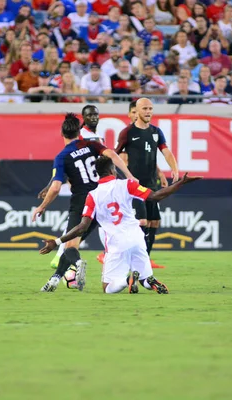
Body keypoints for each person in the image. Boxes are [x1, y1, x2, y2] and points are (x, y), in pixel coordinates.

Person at [39, 156, 201, 294]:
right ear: (112, 171)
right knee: (145, 277)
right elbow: (155, 196)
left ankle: (126, 280)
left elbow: (82, 227)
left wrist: (58, 241)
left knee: (107, 286)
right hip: (137, 238)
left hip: (117, 243)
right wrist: (179, 184)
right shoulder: (127, 184)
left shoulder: (93, 196)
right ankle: (148, 280)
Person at [31, 113, 136, 292]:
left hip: (82, 202)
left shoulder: (62, 156)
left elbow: (56, 187)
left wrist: (42, 207)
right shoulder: (91, 144)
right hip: (102, 199)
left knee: (70, 245)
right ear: (79, 131)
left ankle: (78, 263)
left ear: (62, 134)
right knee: (73, 243)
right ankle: (54, 280)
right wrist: (129, 175)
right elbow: (111, 154)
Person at [115, 98, 179, 263]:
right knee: (141, 222)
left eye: (150, 108)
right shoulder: (127, 132)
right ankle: (133, 260)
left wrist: (174, 168)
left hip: (152, 186)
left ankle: (145, 260)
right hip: (135, 187)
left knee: (154, 222)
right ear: (136, 111)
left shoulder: (156, 132)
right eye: (144, 108)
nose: (148, 111)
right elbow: (115, 156)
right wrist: (128, 175)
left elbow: (166, 152)